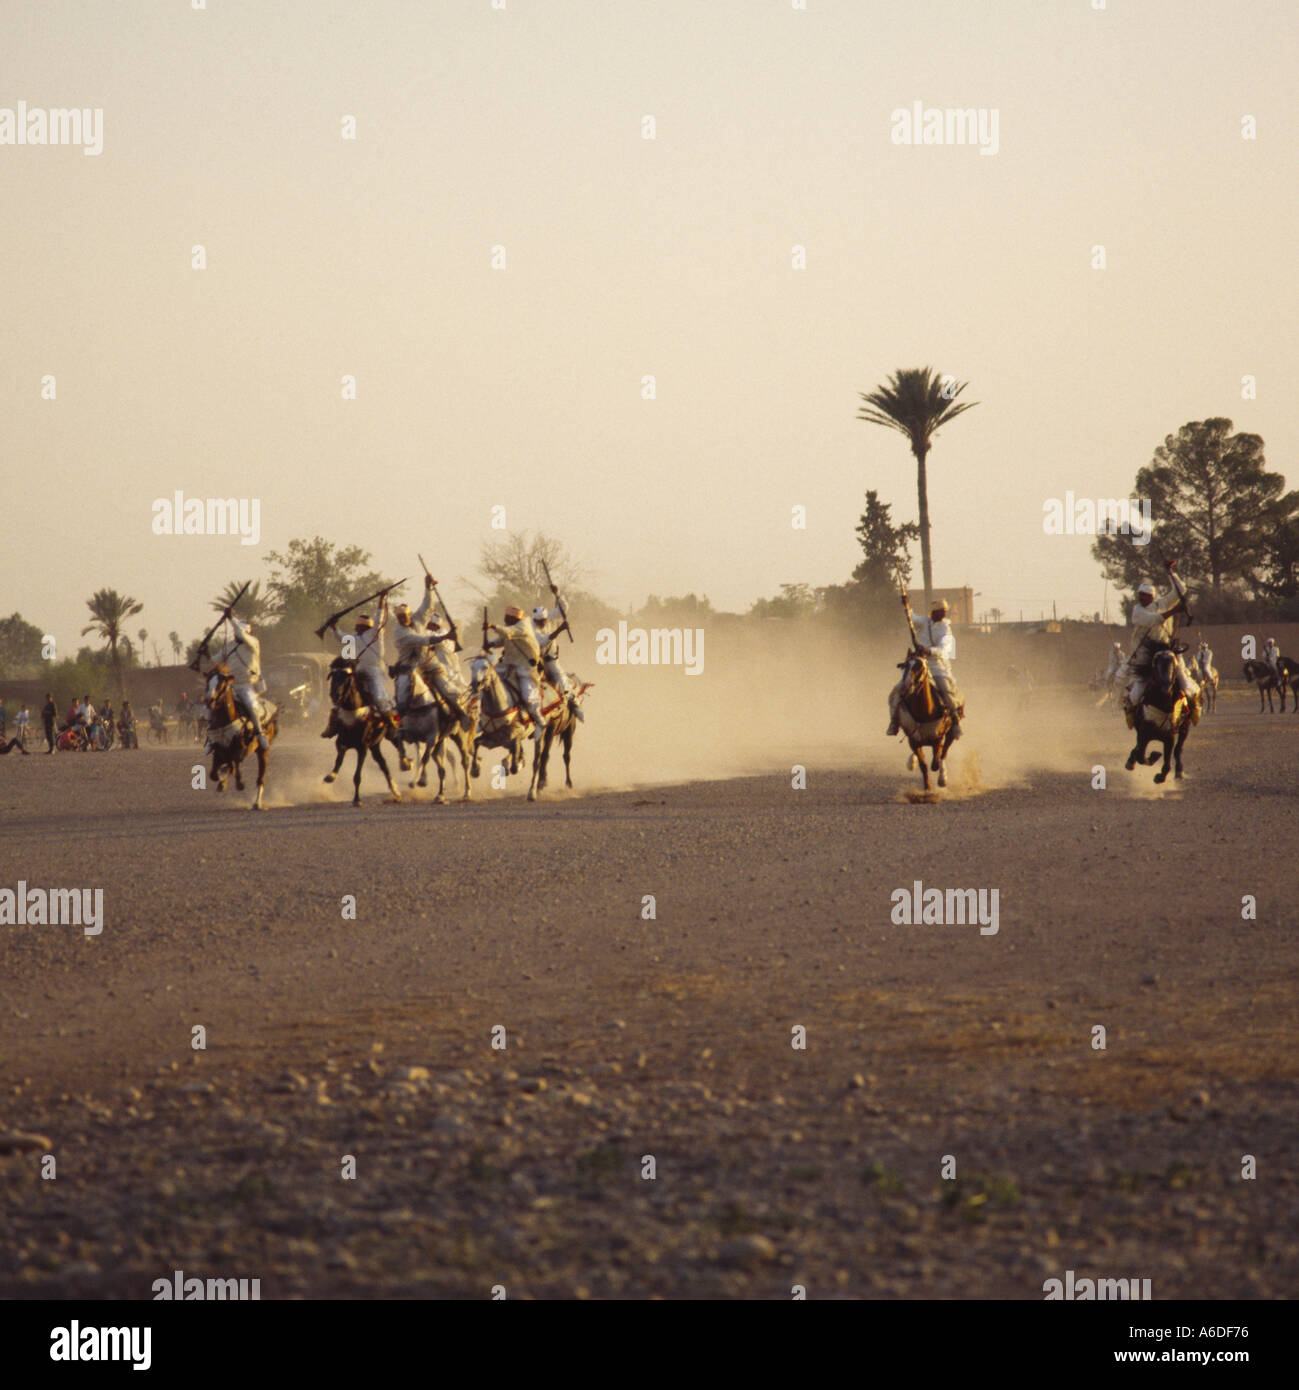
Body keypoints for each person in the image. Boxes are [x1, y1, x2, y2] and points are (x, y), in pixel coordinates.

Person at [1120, 567, 1200, 727]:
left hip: (1168, 649)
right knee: (1140, 686)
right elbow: (1153, 620)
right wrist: (1174, 611)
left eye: (1145, 595)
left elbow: (1180, 590)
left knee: (1183, 679)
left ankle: (1194, 705)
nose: (1141, 598)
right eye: (1140, 595)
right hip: (1146, 653)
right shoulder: (1137, 611)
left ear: (1152, 596)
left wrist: (1171, 572)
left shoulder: (1162, 603)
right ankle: (1131, 708)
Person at [887, 597, 964, 740]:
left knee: (946, 692)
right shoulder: (924, 622)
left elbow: (944, 650)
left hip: (936, 667)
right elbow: (911, 619)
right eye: (940, 611)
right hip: (917, 663)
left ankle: (955, 722)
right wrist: (907, 606)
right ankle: (894, 722)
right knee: (897, 691)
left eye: (944, 611)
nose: (943, 614)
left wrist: (928, 651)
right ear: (934, 612)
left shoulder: (946, 629)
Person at [485, 606, 554, 743]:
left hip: (525, 668)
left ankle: (539, 720)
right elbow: (502, 639)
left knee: (529, 696)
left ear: (514, 618)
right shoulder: (511, 627)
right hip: (508, 665)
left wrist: (493, 626)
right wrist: (490, 644)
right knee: (486, 680)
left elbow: (509, 632)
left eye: (507, 619)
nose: (505, 620)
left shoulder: (523, 626)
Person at [210, 613, 270, 750]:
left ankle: (260, 733)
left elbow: (240, 633)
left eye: (240, 632)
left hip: (246, 685)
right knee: (214, 703)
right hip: (230, 685)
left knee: (250, 705)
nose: (237, 634)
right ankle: (211, 738)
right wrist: (205, 654)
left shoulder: (253, 643)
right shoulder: (229, 646)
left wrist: (231, 618)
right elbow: (216, 659)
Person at [531, 606, 584, 722]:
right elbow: (543, 641)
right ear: (534, 620)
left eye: (543, 621)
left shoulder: (550, 617)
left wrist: (558, 594)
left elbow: (563, 608)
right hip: (536, 661)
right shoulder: (531, 627)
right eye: (538, 621)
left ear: (546, 618)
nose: (541, 623)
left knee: (562, 682)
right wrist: (559, 629)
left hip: (551, 661)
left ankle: (575, 705)